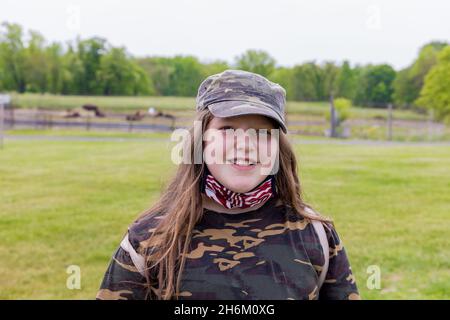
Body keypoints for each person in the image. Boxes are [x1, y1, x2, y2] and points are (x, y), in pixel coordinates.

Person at [96, 69, 360, 300]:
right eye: (228, 129)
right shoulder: (149, 239)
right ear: (202, 140)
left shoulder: (316, 235)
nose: (245, 144)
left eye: (263, 132)